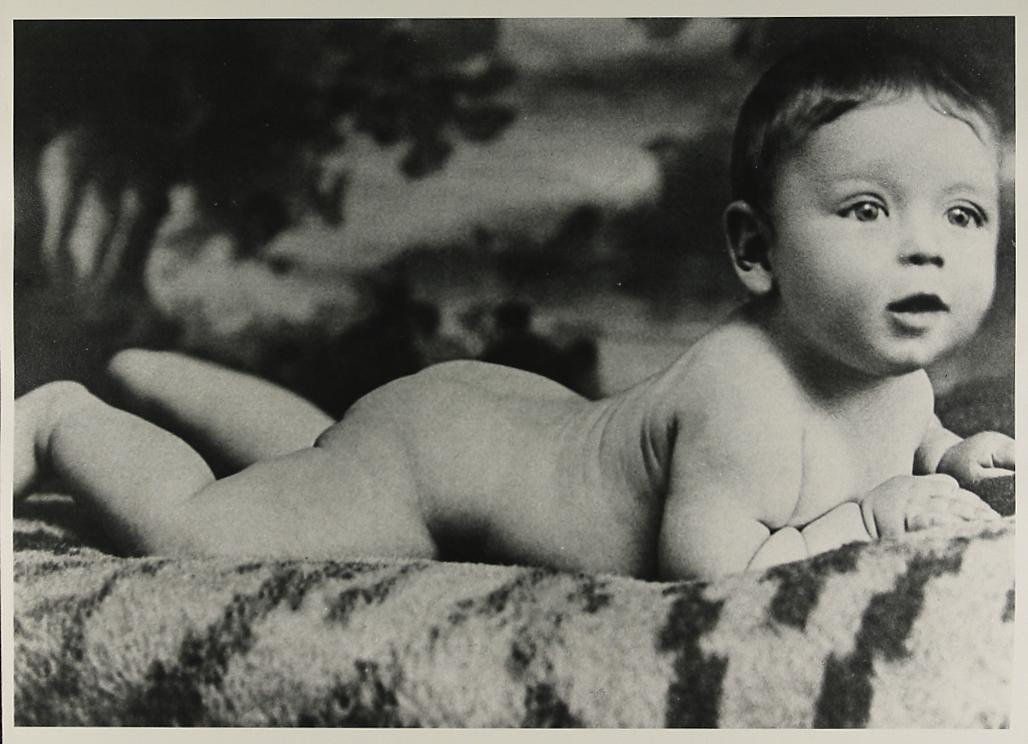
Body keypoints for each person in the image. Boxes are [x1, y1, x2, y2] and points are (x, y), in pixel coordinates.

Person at [13, 34, 1014, 581]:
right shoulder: (743, 394)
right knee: (218, 532)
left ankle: (154, 374)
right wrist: (870, 517)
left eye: (963, 213)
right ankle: (62, 418)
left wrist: (949, 456)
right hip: (441, 466)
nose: (924, 245)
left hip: (488, 420)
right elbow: (710, 573)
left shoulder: (893, 373)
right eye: (867, 209)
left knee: (331, 452)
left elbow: (903, 435)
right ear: (757, 252)